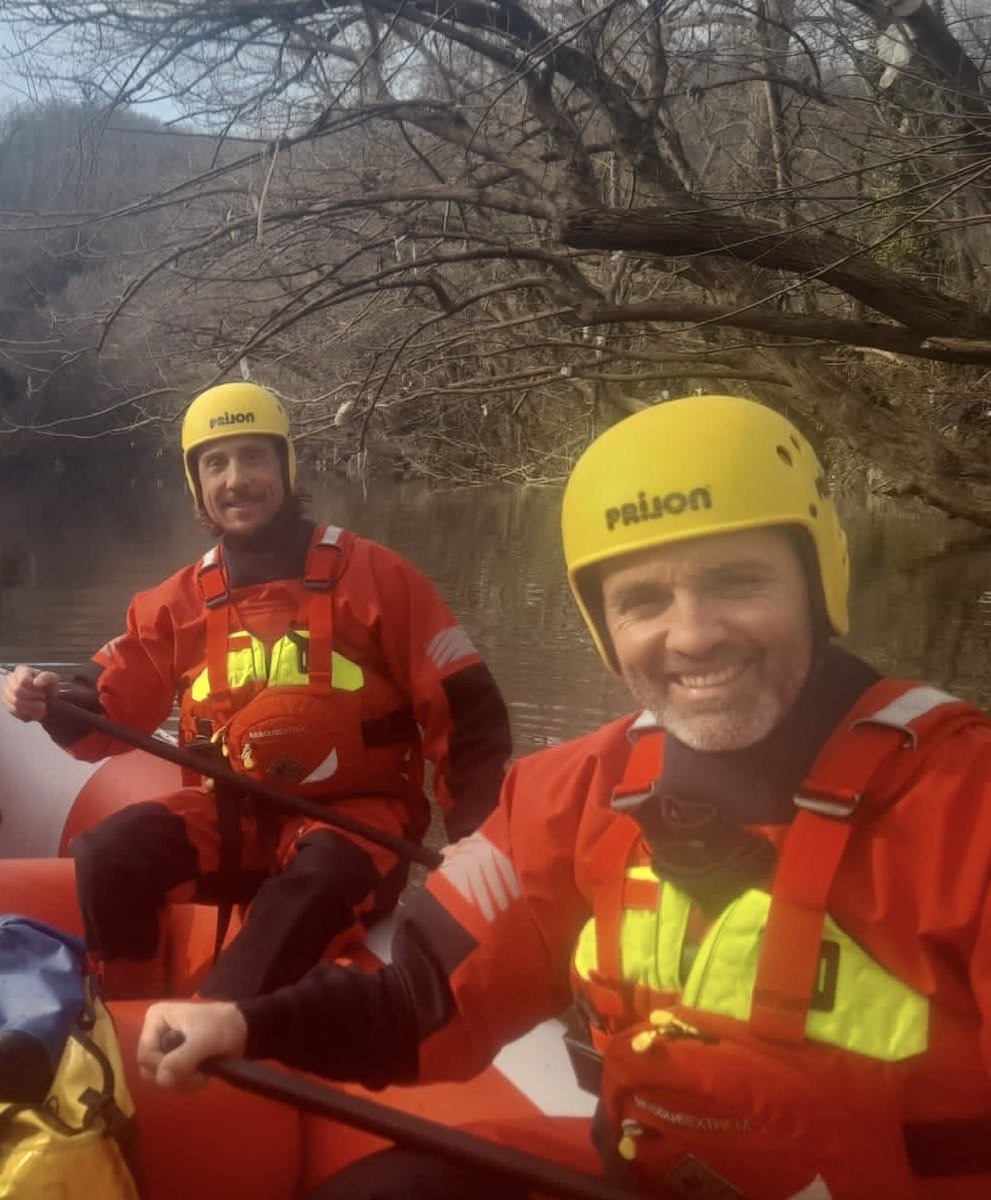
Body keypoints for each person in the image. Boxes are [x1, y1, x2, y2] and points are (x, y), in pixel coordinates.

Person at [136, 394, 991, 1200]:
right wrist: (246, 1025)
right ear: (605, 629)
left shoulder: (966, 807)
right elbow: (418, 1005)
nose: (690, 634)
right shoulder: (569, 796)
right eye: (643, 600)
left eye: (737, 581)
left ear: (818, 580)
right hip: (642, 1171)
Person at [2, 381, 512, 1002]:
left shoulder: (377, 577)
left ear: (285, 466)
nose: (235, 479)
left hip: (354, 824)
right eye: (215, 463)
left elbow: (469, 714)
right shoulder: (175, 602)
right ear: (197, 484)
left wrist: (476, 840)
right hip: (231, 820)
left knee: (316, 882)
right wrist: (47, 699)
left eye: (253, 457)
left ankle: (222, 1020)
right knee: (107, 851)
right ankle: (124, 1013)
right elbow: (102, 713)